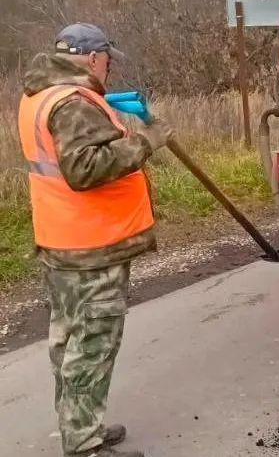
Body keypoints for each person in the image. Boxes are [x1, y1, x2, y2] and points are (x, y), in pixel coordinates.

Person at [18, 23, 173, 457]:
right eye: (107, 60)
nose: (108, 69)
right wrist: (145, 142)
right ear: (92, 58)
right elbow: (84, 169)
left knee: (69, 340)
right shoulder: (72, 104)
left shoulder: (41, 94)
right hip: (91, 248)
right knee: (91, 344)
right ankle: (84, 444)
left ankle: (80, 425)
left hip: (62, 239)